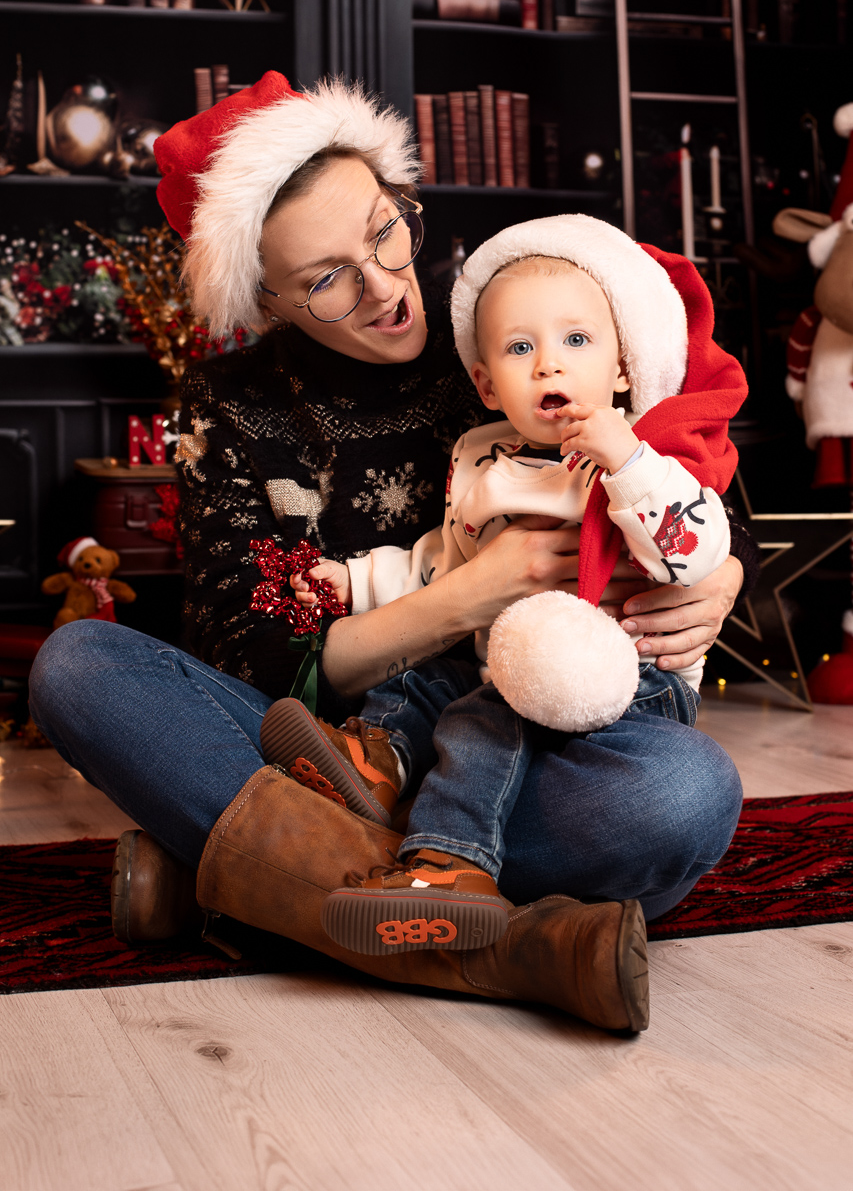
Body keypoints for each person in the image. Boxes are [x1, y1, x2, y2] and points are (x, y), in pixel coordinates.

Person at [28, 71, 756, 1035]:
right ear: (271, 301)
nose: (382, 286)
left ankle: (260, 883)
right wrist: (470, 595)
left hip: (525, 736)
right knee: (78, 665)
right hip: (340, 742)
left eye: (383, 230)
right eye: (327, 278)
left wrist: (726, 573)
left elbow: (682, 450)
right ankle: (501, 944)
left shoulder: (505, 324)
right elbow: (243, 654)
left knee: (681, 794)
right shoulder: (230, 405)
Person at [268, 215, 743, 956]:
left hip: (631, 685)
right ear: (487, 384)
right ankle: (373, 766)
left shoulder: (646, 454)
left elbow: (693, 551)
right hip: (501, 665)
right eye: (521, 349)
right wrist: (355, 581)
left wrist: (625, 462)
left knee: (484, 718)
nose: (549, 367)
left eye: (576, 342)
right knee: (424, 680)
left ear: (621, 367)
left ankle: (450, 866)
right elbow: (442, 562)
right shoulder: (482, 459)